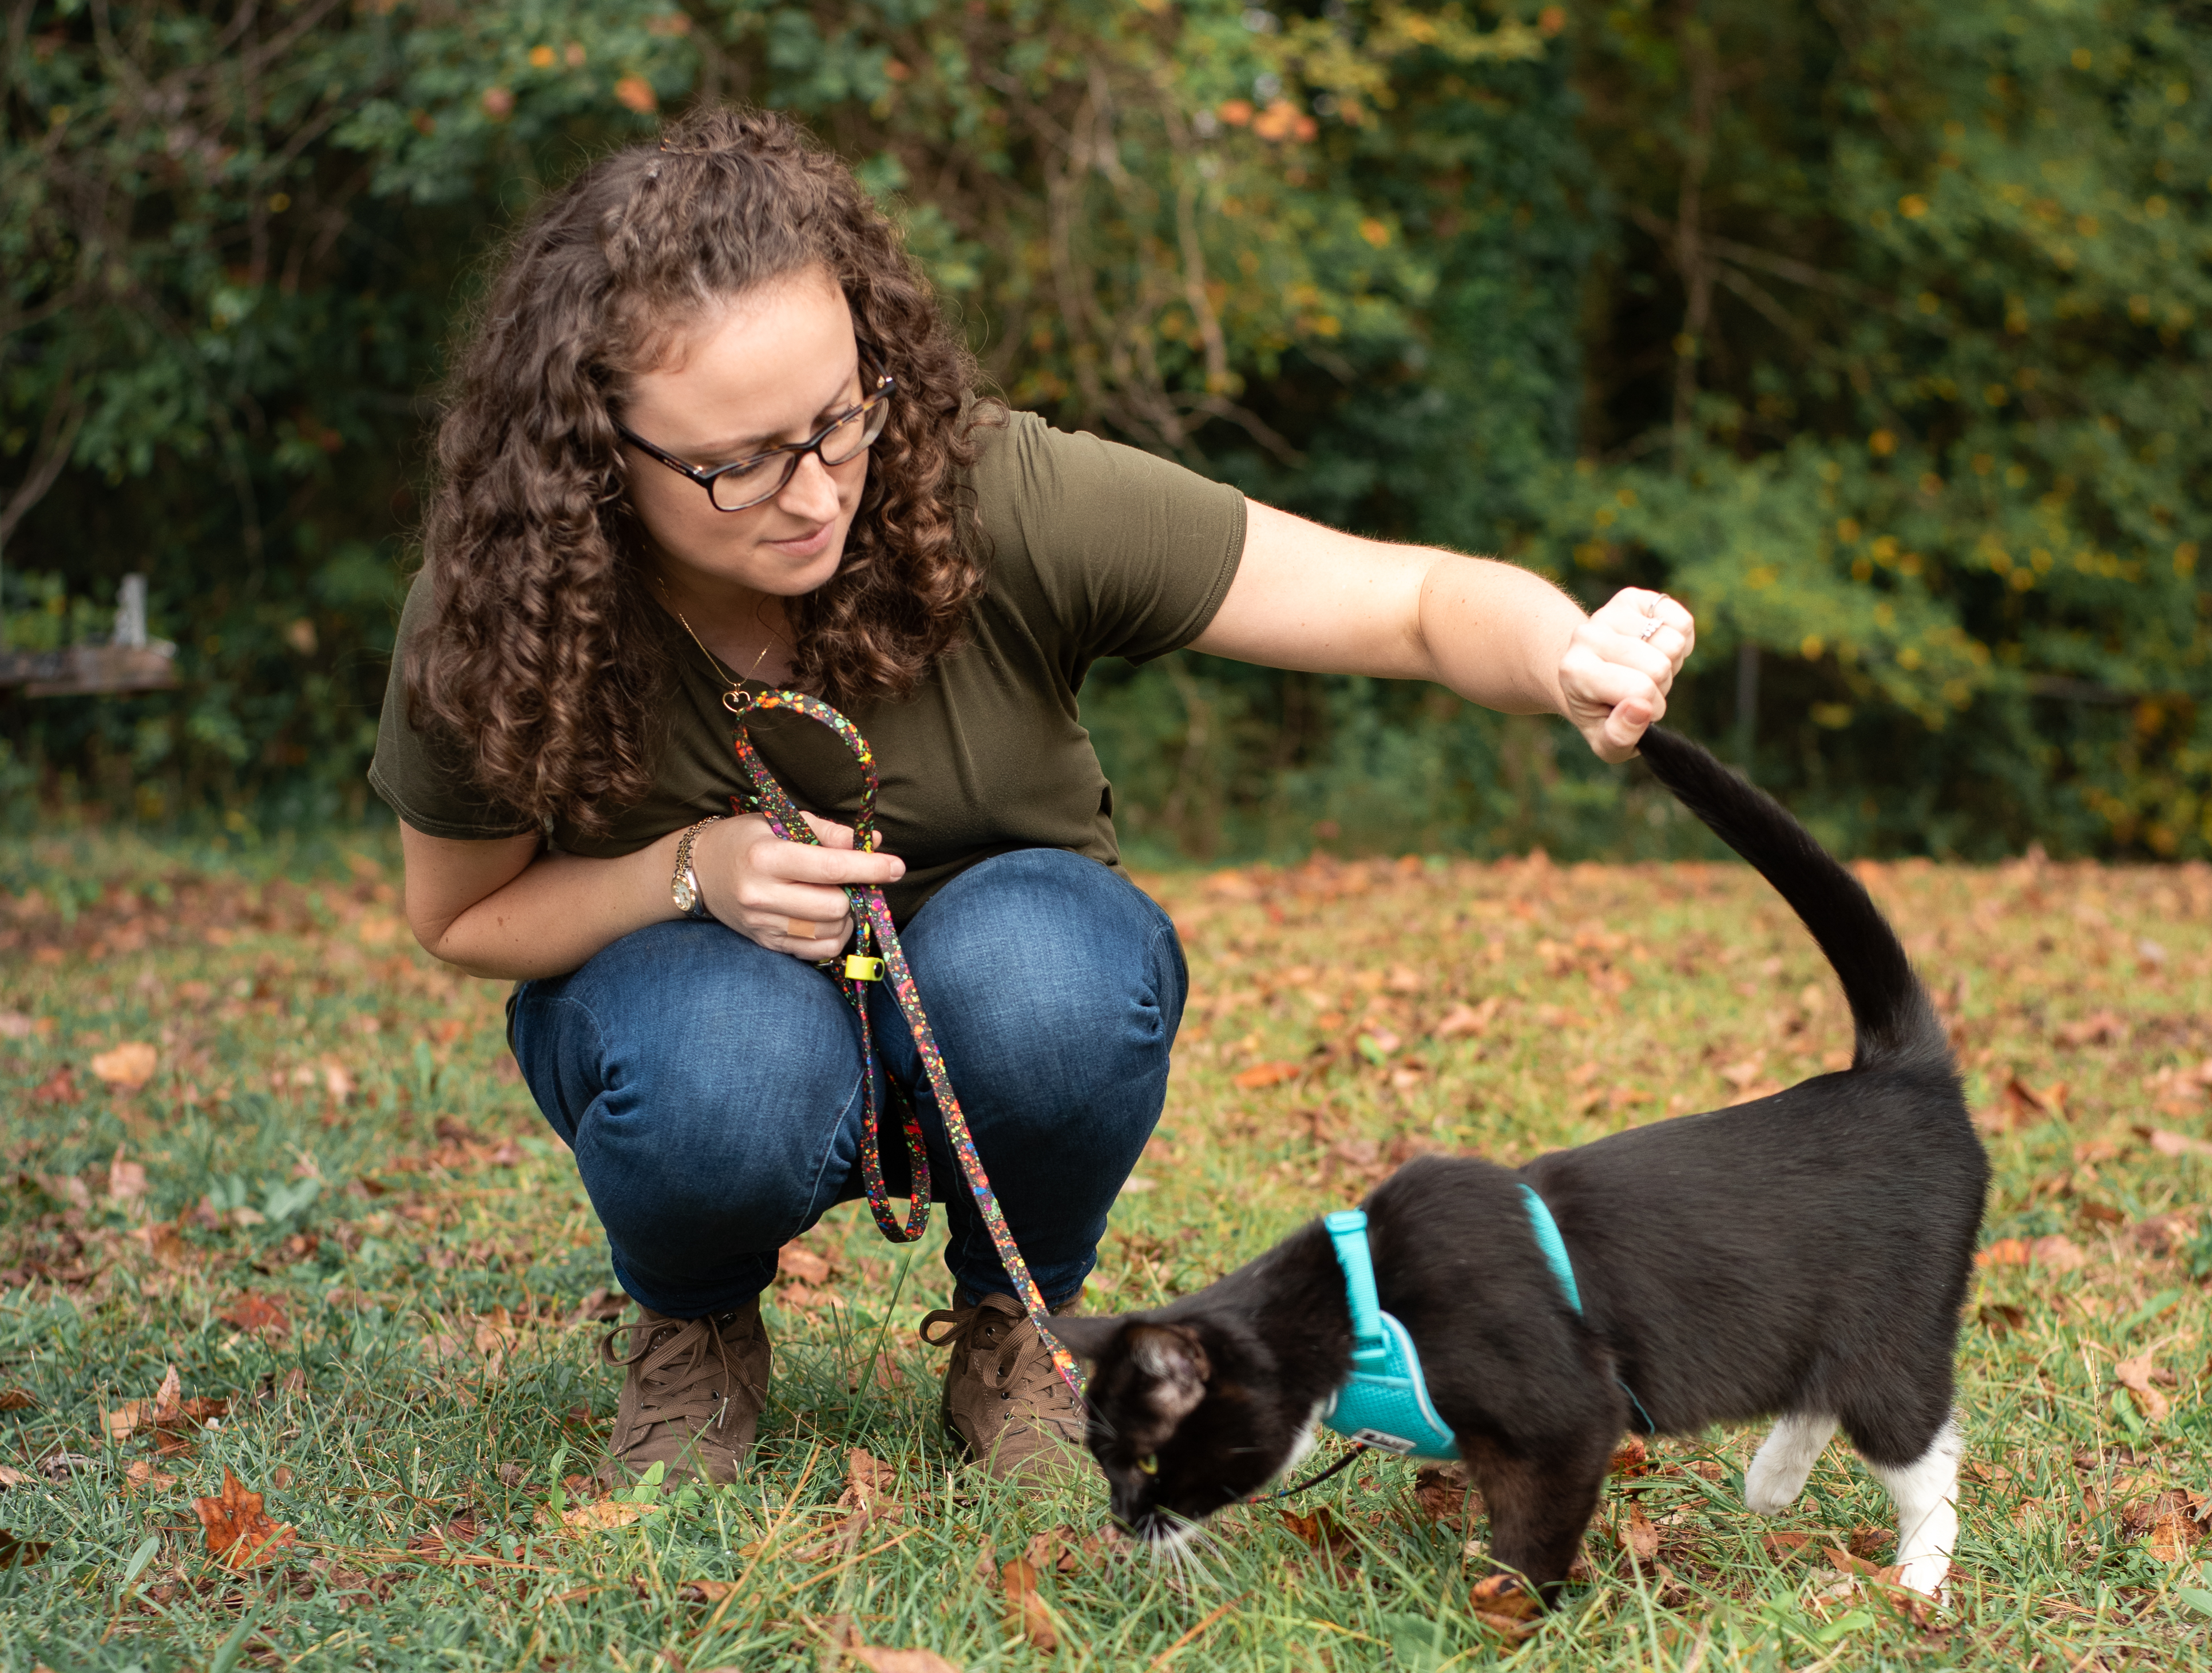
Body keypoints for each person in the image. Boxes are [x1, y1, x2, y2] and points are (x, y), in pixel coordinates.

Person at [371, 106, 1694, 1486]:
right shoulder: (499, 611)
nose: (816, 492)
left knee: (1056, 967)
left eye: (839, 418)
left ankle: (1020, 1322)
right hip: (700, 1030)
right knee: (720, 1054)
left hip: (999, 1001)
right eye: (741, 462)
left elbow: (1412, 603)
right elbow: (462, 916)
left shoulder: (992, 492)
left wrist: (1564, 653)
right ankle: (696, 1328)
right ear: (595, 448)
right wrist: (687, 871)